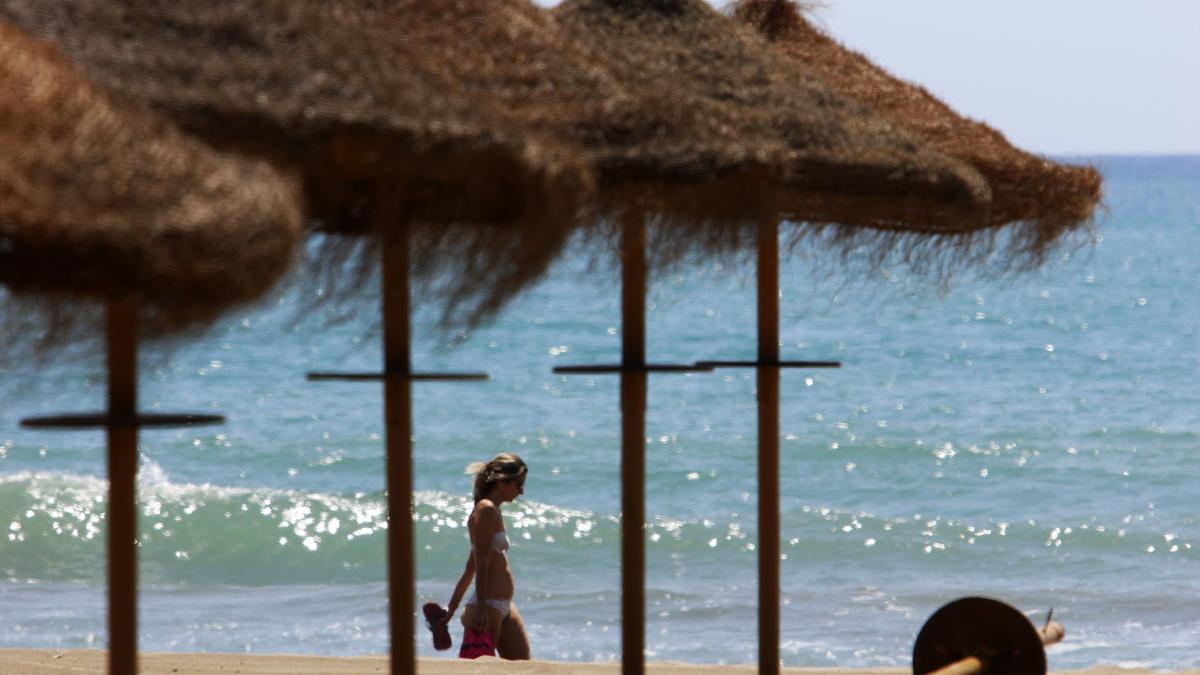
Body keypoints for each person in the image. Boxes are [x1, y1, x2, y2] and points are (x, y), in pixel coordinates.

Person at [439, 453, 530, 660]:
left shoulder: (492, 510)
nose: (521, 492)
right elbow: (481, 563)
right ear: (502, 482)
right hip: (487, 607)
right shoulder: (486, 509)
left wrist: (451, 608)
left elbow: (470, 566)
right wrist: (480, 608)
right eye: (519, 485)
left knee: (522, 667)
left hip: (502, 606)